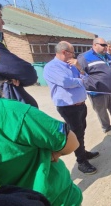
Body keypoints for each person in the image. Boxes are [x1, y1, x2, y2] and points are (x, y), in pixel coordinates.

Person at [0, 47, 83, 205]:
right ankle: (82, 160)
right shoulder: (9, 112)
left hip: (26, 197)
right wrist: (51, 151)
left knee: (80, 131)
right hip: (55, 198)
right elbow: (71, 142)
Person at [44, 41, 99, 175]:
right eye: (72, 52)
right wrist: (80, 80)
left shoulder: (72, 64)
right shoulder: (52, 67)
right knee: (76, 133)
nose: (74, 55)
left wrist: (79, 67)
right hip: (68, 107)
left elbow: (86, 77)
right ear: (64, 52)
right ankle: (81, 162)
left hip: (81, 105)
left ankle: (83, 152)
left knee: (81, 131)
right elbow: (66, 82)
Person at [0, 0, 38, 107]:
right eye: (0, 16)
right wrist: (9, 77)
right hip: (2, 111)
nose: (3, 22)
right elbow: (27, 73)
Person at [77, 37, 111, 137]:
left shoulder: (107, 56)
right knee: (102, 111)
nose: (106, 47)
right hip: (98, 92)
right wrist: (91, 83)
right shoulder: (84, 57)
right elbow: (80, 73)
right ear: (95, 45)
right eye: (103, 45)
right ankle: (107, 128)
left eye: (106, 45)